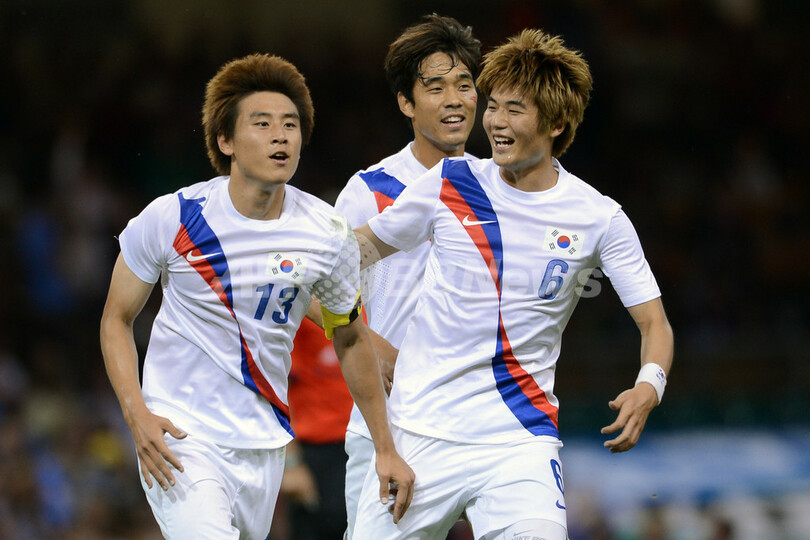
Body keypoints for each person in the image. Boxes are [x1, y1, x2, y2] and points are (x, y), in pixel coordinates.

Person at [352, 29, 674, 539]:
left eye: (515, 110)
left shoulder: (599, 217)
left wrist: (648, 386)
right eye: (494, 106)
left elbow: (654, 323)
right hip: (419, 433)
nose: (496, 122)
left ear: (557, 123)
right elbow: (350, 258)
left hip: (519, 441)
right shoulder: (451, 181)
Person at [99, 53, 413, 539]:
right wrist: (135, 413)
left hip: (263, 444)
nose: (280, 136)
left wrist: (386, 448)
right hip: (183, 437)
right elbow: (116, 319)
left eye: (290, 125)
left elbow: (348, 338)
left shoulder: (326, 232)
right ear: (225, 140)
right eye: (262, 124)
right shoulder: (175, 216)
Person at [331, 14, 481, 539]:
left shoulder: (496, 187)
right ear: (406, 103)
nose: (454, 100)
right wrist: (370, 343)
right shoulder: (371, 189)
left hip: (479, 420)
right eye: (435, 88)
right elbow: (309, 284)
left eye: (464, 85)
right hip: (391, 423)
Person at [281, 317, 353, 539]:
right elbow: (279, 387)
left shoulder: (372, 307)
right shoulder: (303, 313)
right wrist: (291, 463)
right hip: (315, 452)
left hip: (363, 445)